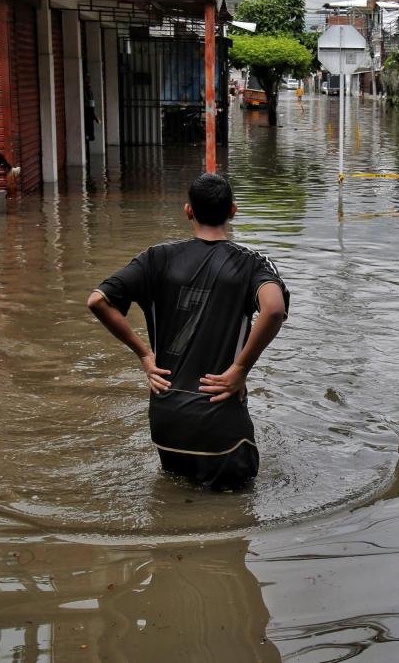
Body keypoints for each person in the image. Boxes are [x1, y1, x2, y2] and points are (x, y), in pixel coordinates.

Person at [87, 173, 289, 490]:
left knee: (172, 500)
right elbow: (274, 309)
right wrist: (240, 368)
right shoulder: (252, 264)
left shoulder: (156, 258)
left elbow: (98, 301)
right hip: (219, 417)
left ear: (187, 211)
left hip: (166, 418)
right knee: (235, 519)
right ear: (233, 210)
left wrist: (144, 354)